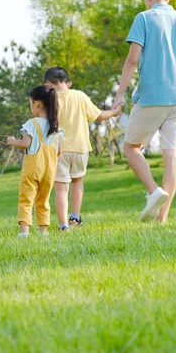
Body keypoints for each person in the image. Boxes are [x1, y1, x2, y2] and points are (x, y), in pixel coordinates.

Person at [112, 0, 176, 223]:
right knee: (171, 156)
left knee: (131, 148)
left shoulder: (144, 17)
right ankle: (162, 218)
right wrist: (174, 60)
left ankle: (153, 191)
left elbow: (131, 60)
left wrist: (119, 95)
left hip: (152, 97)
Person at [45, 67, 121, 230]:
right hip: (80, 148)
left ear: (48, 84)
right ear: (69, 83)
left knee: (61, 188)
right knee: (77, 181)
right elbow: (98, 115)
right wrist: (114, 112)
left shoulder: (49, 98)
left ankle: (63, 225)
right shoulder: (80, 96)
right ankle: (75, 217)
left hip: (58, 149)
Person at [7, 86, 63, 237]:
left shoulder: (32, 123)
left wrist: (12, 141)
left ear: (36, 104)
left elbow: (25, 143)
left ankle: (24, 233)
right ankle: (43, 231)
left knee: (26, 198)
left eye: (31, 103)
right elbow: (59, 151)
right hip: (49, 171)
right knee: (43, 200)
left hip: (33, 168)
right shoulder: (57, 127)